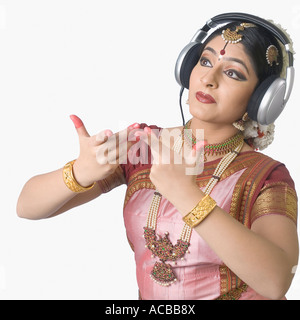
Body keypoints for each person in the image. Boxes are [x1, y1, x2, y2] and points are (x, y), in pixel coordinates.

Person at [17, 13, 298, 300]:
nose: (208, 79)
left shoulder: (266, 175)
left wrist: (187, 196)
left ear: (261, 100)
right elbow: (26, 207)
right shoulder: (146, 145)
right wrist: (79, 172)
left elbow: (275, 281)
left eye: (232, 73)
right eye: (205, 61)